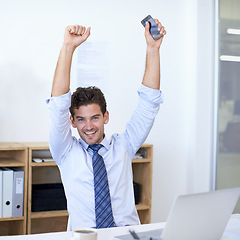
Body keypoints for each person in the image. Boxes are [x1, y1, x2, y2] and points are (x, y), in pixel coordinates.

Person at [47, 19, 166, 231]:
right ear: (72, 121)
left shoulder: (123, 146)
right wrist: (68, 47)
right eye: (81, 119)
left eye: (94, 117)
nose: (89, 126)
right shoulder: (65, 152)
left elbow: (149, 104)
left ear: (106, 117)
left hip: (127, 235)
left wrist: (153, 49)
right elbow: (58, 106)